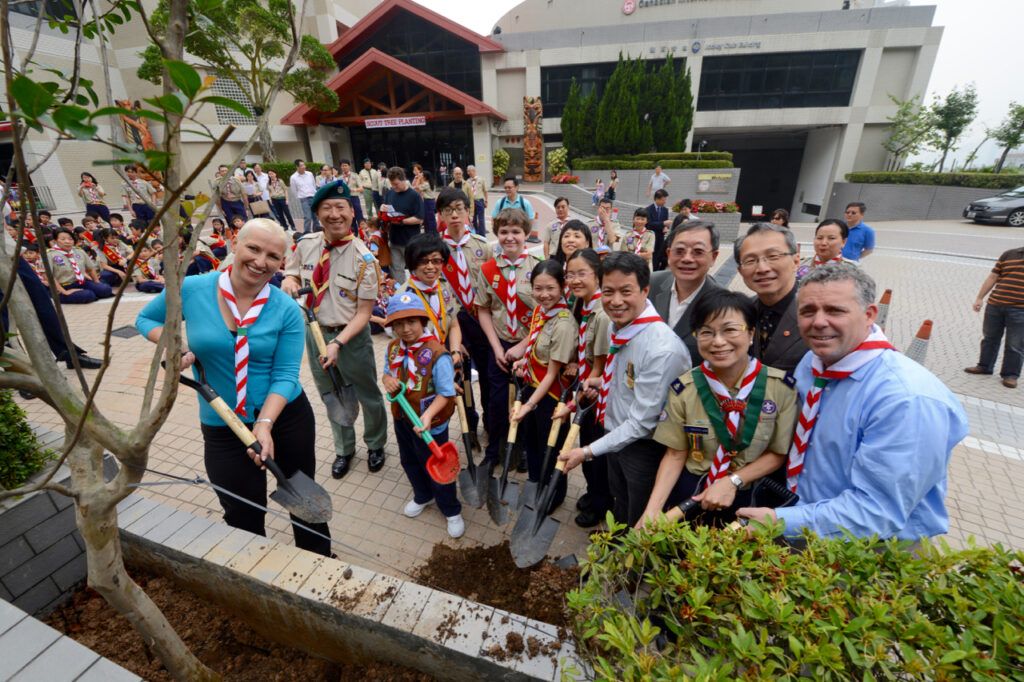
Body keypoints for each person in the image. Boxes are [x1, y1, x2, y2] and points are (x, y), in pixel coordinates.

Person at [136, 219, 331, 556]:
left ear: (282, 262)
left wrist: (265, 424)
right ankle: (256, 570)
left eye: (272, 256)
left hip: (284, 418)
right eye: (253, 248)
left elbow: (286, 374)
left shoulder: (285, 308)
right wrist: (172, 345)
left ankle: (320, 562)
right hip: (222, 423)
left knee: (304, 501)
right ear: (234, 245)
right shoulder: (193, 289)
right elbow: (146, 320)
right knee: (242, 512)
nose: (260, 261)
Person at [737, 264, 969, 541]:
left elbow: (877, 511)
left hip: (871, 552)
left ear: (870, 314)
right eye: (807, 311)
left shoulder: (906, 399)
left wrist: (782, 520)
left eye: (835, 310)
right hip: (807, 527)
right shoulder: (812, 364)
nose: (819, 322)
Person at [640, 289, 797, 528]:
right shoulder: (685, 389)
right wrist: (651, 511)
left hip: (747, 496)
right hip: (691, 492)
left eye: (730, 329)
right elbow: (675, 454)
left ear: (751, 333)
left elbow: (777, 453)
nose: (718, 341)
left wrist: (732, 481)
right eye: (706, 332)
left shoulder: (781, 389)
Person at [558, 252, 690, 527]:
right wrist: (603, 382)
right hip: (616, 436)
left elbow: (642, 423)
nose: (616, 301)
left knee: (637, 513)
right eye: (608, 291)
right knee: (619, 499)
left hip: (642, 446)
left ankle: (632, 566)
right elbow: (627, 379)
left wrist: (586, 451)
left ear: (645, 290)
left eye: (625, 291)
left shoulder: (661, 349)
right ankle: (615, 545)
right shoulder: (620, 327)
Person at [282, 180, 388, 478]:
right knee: (331, 393)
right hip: (314, 334)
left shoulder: (365, 259)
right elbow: (290, 272)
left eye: (341, 207)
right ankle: (345, 449)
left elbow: (365, 313)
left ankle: (376, 443)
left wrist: (338, 343)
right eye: (327, 208)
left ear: (352, 213)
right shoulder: (305, 245)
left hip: (350, 338)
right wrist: (289, 281)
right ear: (317, 213)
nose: (334, 214)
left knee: (367, 394)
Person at [381, 292, 465, 538]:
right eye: (398, 323)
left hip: (431, 425)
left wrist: (427, 416)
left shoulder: (438, 354)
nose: (405, 329)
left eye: (411, 322)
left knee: (439, 466)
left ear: (423, 321)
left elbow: (446, 393)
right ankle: (423, 495)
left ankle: (451, 509)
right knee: (410, 460)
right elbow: (387, 373)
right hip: (402, 418)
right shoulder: (394, 347)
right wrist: (387, 380)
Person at [473, 207, 540, 467]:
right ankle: (494, 452)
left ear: (526, 234)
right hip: (499, 345)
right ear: (496, 234)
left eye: (516, 231)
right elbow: (484, 309)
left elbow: (547, 314)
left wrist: (524, 346)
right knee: (498, 402)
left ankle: (521, 447)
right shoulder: (488, 269)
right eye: (503, 232)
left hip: (531, 346)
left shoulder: (538, 267)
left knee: (526, 399)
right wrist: (496, 348)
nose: (509, 237)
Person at [510, 260, 577, 513]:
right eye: (538, 288)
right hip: (532, 387)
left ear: (562, 287)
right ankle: (536, 484)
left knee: (553, 448)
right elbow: (534, 341)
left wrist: (528, 405)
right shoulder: (541, 311)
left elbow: (552, 374)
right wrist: (521, 360)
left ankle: (554, 494)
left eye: (550, 288)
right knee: (534, 444)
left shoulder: (563, 323)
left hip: (550, 397)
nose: (544, 294)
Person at [559, 248, 613, 527]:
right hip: (586, 392)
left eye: (582, 274)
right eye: (570, 275)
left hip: (596, 398)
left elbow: (600, 366)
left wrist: (579, 396)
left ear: (597, 275)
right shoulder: (585, 306)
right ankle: (594, 495)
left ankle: (600, 505)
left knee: (594, 455)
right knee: (588, 451)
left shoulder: (602, 315)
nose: (575, 280)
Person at [437, 186, 493, 446]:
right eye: (448, 211)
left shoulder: (484, 246)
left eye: (459, 209)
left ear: (468, 212)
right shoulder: (436, 252)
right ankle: (469, 423)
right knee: (462, 379)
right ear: (441, 215)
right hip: (453, 325)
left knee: (490, 376)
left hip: (481, 322)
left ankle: (493, 423)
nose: (455, 215)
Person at [648, 220, 722, 363]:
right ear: (669, 254)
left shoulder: (722, 304)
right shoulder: (651, 284)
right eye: (679, 251)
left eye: (698, 252)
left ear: (713, 257)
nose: (687, 259)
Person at [737, 222, 807, 373]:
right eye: (750, 260)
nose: (762, 268)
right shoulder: (742, 312)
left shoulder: (818, 314)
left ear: (796, 261)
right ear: (740, 270)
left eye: (773, 256)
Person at [964, 245, 1024, 389]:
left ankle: (1010, 375)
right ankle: (984, 366)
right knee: (989, 338)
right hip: (995, 305)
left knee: (1015, 345)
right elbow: (993, 276)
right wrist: (979, 298)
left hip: (1020, 310)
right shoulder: (1009, 254)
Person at [381, 166, 425, 284]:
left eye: (396, 184)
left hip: (410, 241)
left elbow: (419, 219)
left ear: (403, 179)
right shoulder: (390, 193)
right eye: (392, 184)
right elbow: (385, 210)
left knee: (414, 269)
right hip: (394, 239)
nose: (394, 187)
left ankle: (417, 293)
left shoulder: (414, 196)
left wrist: (401, 221)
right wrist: (383, 210)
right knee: (396, 269)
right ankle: (400, 294)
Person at [47, 228, 113, 304]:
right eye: (63, 239)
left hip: (81, 282)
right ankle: (59, 297)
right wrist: (64, 291)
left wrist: (97, 282)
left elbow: (90, 268)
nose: (67, 241)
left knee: (105, 289)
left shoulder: (79, 251)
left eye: (70, 239)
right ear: (55, 240)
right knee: (88, 295)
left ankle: (88, 293)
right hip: (64, 286)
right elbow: (48, 276)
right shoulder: (50, 254)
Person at [289, 160, 319, 233]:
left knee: (315, 215)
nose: (304, 167)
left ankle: (317, 229)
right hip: (304, 198)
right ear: (297, 167)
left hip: (313, 196)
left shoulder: (309, 174)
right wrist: (299, 197)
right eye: (301, 165)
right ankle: (307, 231)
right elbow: (293, 190)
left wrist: (314, 192)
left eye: (304, 165)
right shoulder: (293, 177)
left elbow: (313, 184)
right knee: (307, 216)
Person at [646, 189, 670, 272]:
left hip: (660, 238)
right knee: (650, 258)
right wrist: (663, 223)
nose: (665, 202)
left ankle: (655, 274)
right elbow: (649, 224)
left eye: (665, 199)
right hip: (650, 238)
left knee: (658, 258)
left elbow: (665, 224)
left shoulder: (665, 210)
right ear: (656, 199)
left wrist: (666, 227)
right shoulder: (648, 210)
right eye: (663, 200)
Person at [338, 160, 365, 226]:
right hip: (345, 199)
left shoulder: (355, 175)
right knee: (348, 215)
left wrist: (353, 190)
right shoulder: (339, 178)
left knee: (358, 214)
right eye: (342, 166)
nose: (344, 167)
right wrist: (343, 190)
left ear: (349, 166)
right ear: (340, 167)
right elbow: (339, 190)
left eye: (345, 165)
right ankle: (353, 232)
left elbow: (361, 188)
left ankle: (363, 231)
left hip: (354, 198)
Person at [466, 165, 488, 236]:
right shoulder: (467, 182)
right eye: (468, 171)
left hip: (479, 201)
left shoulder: (481, 180)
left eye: (470, 171)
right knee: (473, 219)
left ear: (474, 171)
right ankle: (476, 233)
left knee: (481, 219)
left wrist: (486, 201)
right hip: (471, 202)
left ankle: (482, 234)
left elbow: (485, 191)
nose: (469, 173)